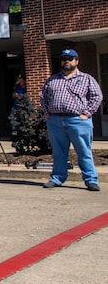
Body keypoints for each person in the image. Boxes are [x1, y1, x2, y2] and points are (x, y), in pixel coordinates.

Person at [40, 48, 102, 191]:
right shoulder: (52, 79)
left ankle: (91, 180)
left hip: (78, 121)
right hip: (56, 121)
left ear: (76, 61)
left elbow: (97, 96)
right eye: (64, 59)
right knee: (58, 152)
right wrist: (48, 113)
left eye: (70, 58)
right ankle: (57, 178)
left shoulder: (86, 79)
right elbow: (43, 96)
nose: (66, 61)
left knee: (84, 151)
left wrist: (86, 113)